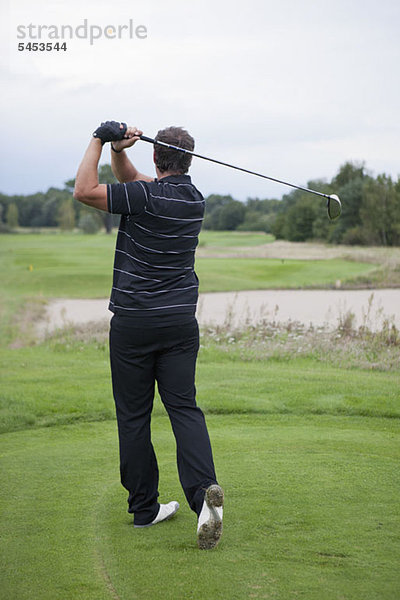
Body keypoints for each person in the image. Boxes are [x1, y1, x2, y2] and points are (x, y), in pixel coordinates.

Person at [74, 121, 223, 549]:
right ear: (188, 160)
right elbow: (132, 180)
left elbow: (84, 190)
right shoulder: (193, 199)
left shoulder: (144, 197)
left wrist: (100, 140)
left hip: (134, 324)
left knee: (135, 416)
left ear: (156, 157)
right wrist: (122, 151)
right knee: (184, 409)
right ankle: (203, 495)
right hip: (179, 324)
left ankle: (144, 509)